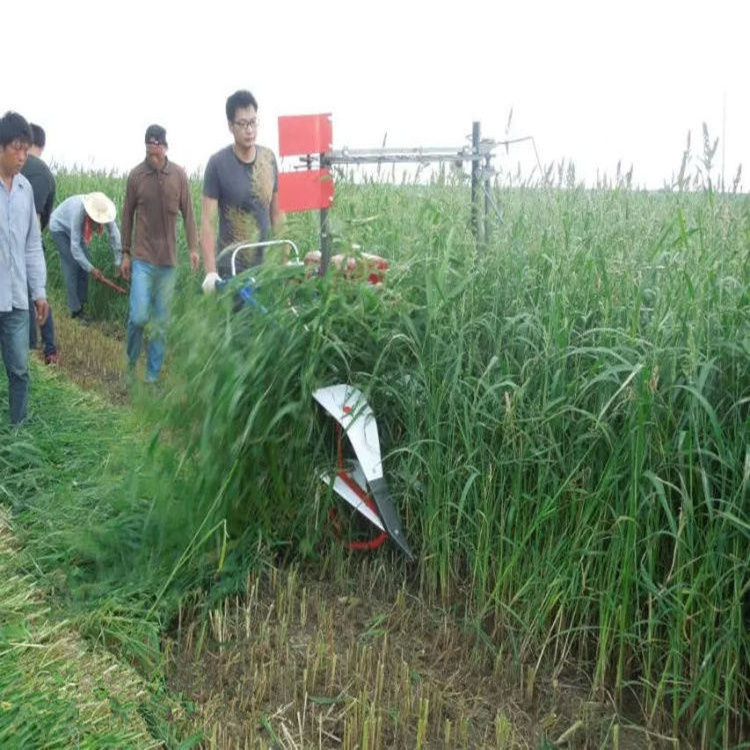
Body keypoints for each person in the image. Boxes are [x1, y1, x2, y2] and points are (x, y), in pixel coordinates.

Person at [121, 124, 199, 383]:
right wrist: (125, 253)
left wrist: (194, 248)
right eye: (149, 153)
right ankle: (130, 367)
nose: (152, 159)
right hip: (142, 259)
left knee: (161, 324)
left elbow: (189, 214)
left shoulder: (178, 175)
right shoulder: (136, 176)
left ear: (165, 148)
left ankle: (152, 377)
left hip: (168, 263)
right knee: (139, 317)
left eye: (156, 153)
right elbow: (126, 215)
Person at [200, 89, 281, 293]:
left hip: (264, 267)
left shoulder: (268, 159)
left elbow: (277, 214)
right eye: (243, 124)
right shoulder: (218, 164)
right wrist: (211, 272)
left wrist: (284, 259)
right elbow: (208, 223)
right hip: (232, 268)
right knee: (240, 324)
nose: (249, 130)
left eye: (253, 122)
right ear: (230, 125)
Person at [0, 111, 50, 426]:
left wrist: (39, 292)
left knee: (19, 370)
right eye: (16, 148)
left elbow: (33, 246)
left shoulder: (25, 190)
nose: (22, 156)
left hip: (17, 299)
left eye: (25, 149)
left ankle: (17, 434)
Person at [49, 191, 123, 319]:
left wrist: (118, 262)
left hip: (74, 231)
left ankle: (81, 306)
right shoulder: (79, 212)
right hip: (59, 228)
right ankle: (75, 311)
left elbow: (115, 236)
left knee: (85, 261)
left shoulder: (105, 212)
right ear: (90, 215)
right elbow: (75, 248)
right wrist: (92, 269)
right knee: (72, 264)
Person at [21, 123, 58, 364]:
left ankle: (26, 346)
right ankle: (49, 349)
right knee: (37, 295)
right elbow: (42, 220)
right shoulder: (46, 174)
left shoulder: (11, 163)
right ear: (42, 145)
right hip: (31, 243)